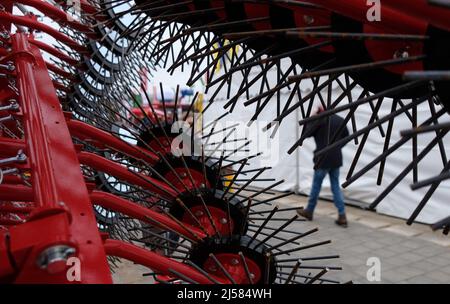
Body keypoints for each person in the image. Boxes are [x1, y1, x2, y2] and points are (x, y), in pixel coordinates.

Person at [297, 108, 350, 227]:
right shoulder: (340, 120)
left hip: (322, 158)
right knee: (335, 186)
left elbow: (306, 133)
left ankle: (309, 211)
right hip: (336, 158)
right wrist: (337, 147)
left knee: (316, 185)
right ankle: (342, 215)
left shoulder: (320, 120)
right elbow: (347, 136)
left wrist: (312, 117)